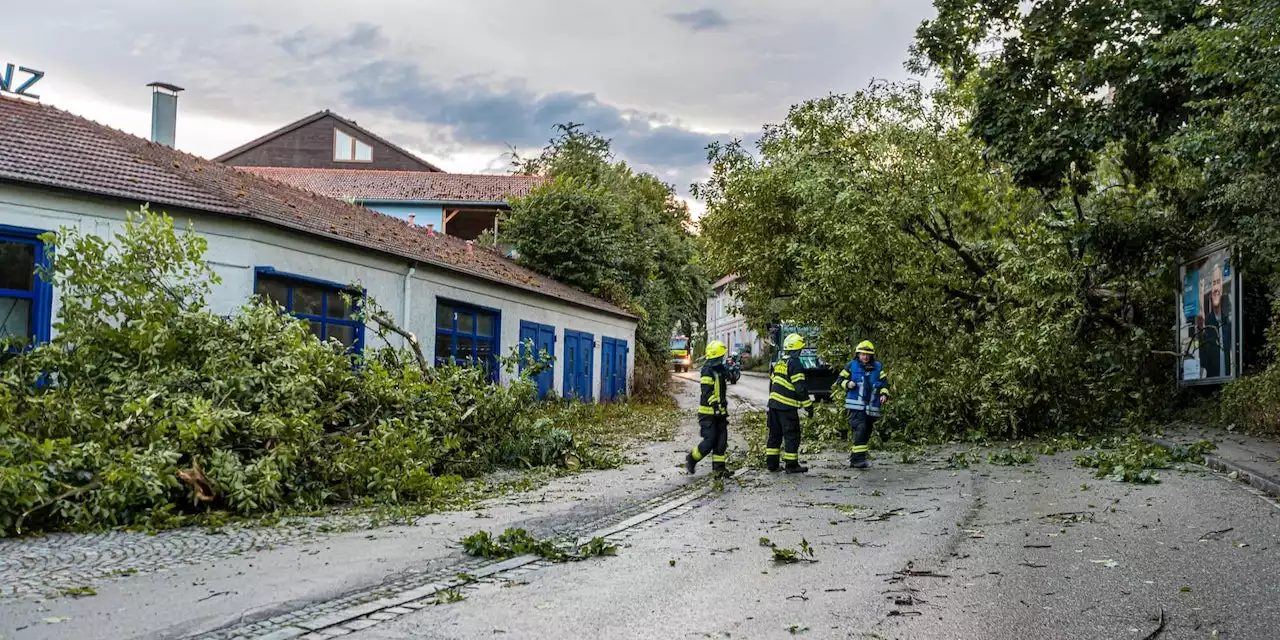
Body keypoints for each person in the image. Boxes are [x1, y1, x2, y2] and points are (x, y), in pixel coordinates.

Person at [765, 333, 813, 473]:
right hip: (786, 407)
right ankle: (791, 465)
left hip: (773, 406)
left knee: (774, 435)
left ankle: (772, 465)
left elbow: (772, 382)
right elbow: (800, 388)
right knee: (792, 435)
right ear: (798, 349)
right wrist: (808, 406)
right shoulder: (795, 363)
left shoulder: (780, 362)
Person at [837, 340, 888, 469]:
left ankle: (857, 457)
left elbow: (884, 384)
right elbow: (840, 380)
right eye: (862, 354)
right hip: (855, 406)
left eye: (867, 354)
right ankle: (858, 459)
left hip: (871, 408)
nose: (864, 357)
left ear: (871, 356)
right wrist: (848, 384)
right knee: (861, 428)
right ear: (858, 354)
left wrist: (884, 395)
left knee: (866, 431)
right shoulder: (851, 366)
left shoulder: (878, 367)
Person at [686, 340, 730, 477]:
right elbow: (707, 392)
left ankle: (719, 468)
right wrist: (715, 406)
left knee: (721, 441)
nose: (722, 358)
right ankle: (692, 458)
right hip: (708, 414)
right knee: (710, 441)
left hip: (720, 413)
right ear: (716, 357)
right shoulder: (707, 371)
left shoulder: (718, 370)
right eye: (721, 356)